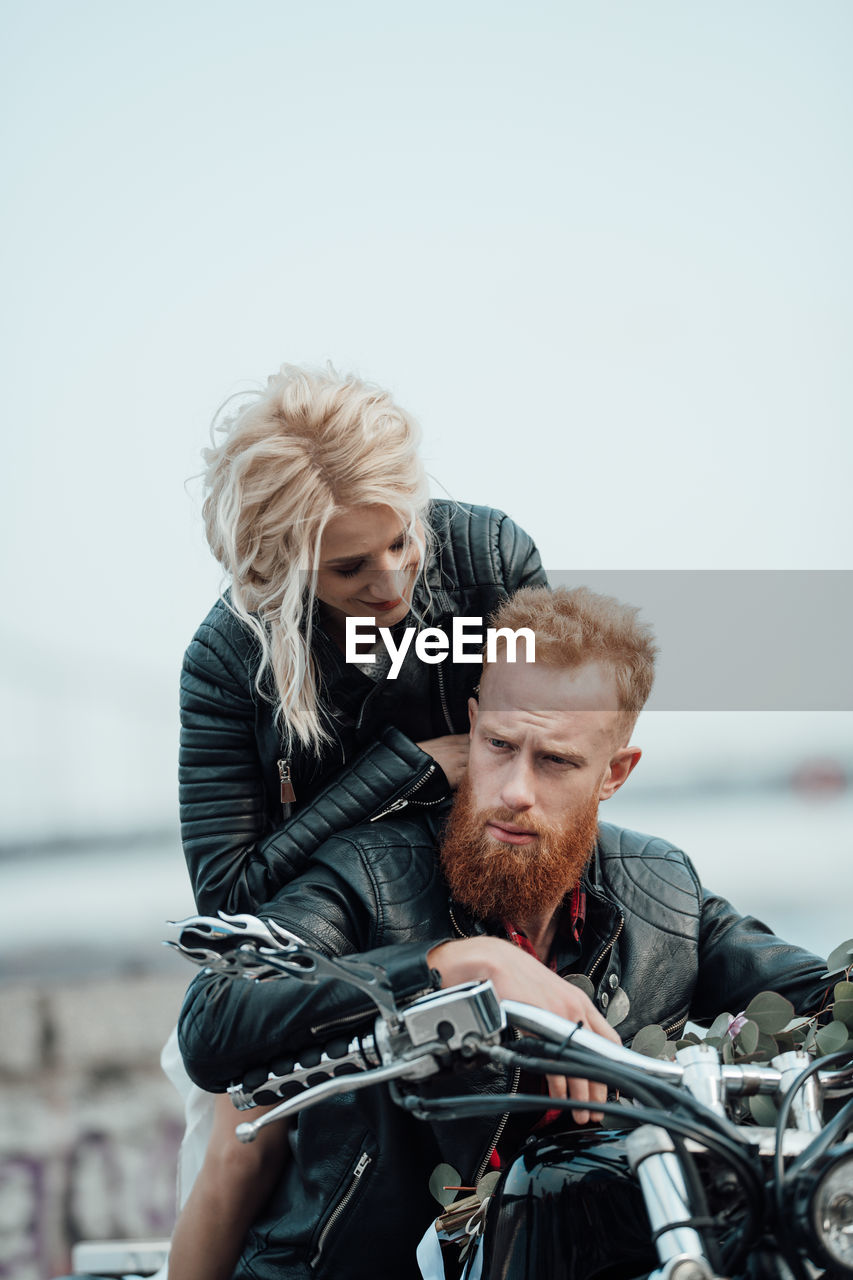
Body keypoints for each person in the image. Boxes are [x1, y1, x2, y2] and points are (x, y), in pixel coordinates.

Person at [177, 585, 832, 1280]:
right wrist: (455, 965)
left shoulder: (661, 888)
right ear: (472, 720)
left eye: (554, 761)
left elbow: (819, 993)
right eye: (498, 745)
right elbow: (214, 1015)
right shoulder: (369, 875)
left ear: (614, 773)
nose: (514, 788)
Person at [168, 364, 548, 1279]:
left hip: (486, 913)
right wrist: (407, 769)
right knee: (242, 1140)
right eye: (348, 567)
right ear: (277, 563)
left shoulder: (492, 562)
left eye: (401, 544)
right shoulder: (229, 658)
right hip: (320, 955)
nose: (390, 584)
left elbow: (554, 767)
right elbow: (229, 904)